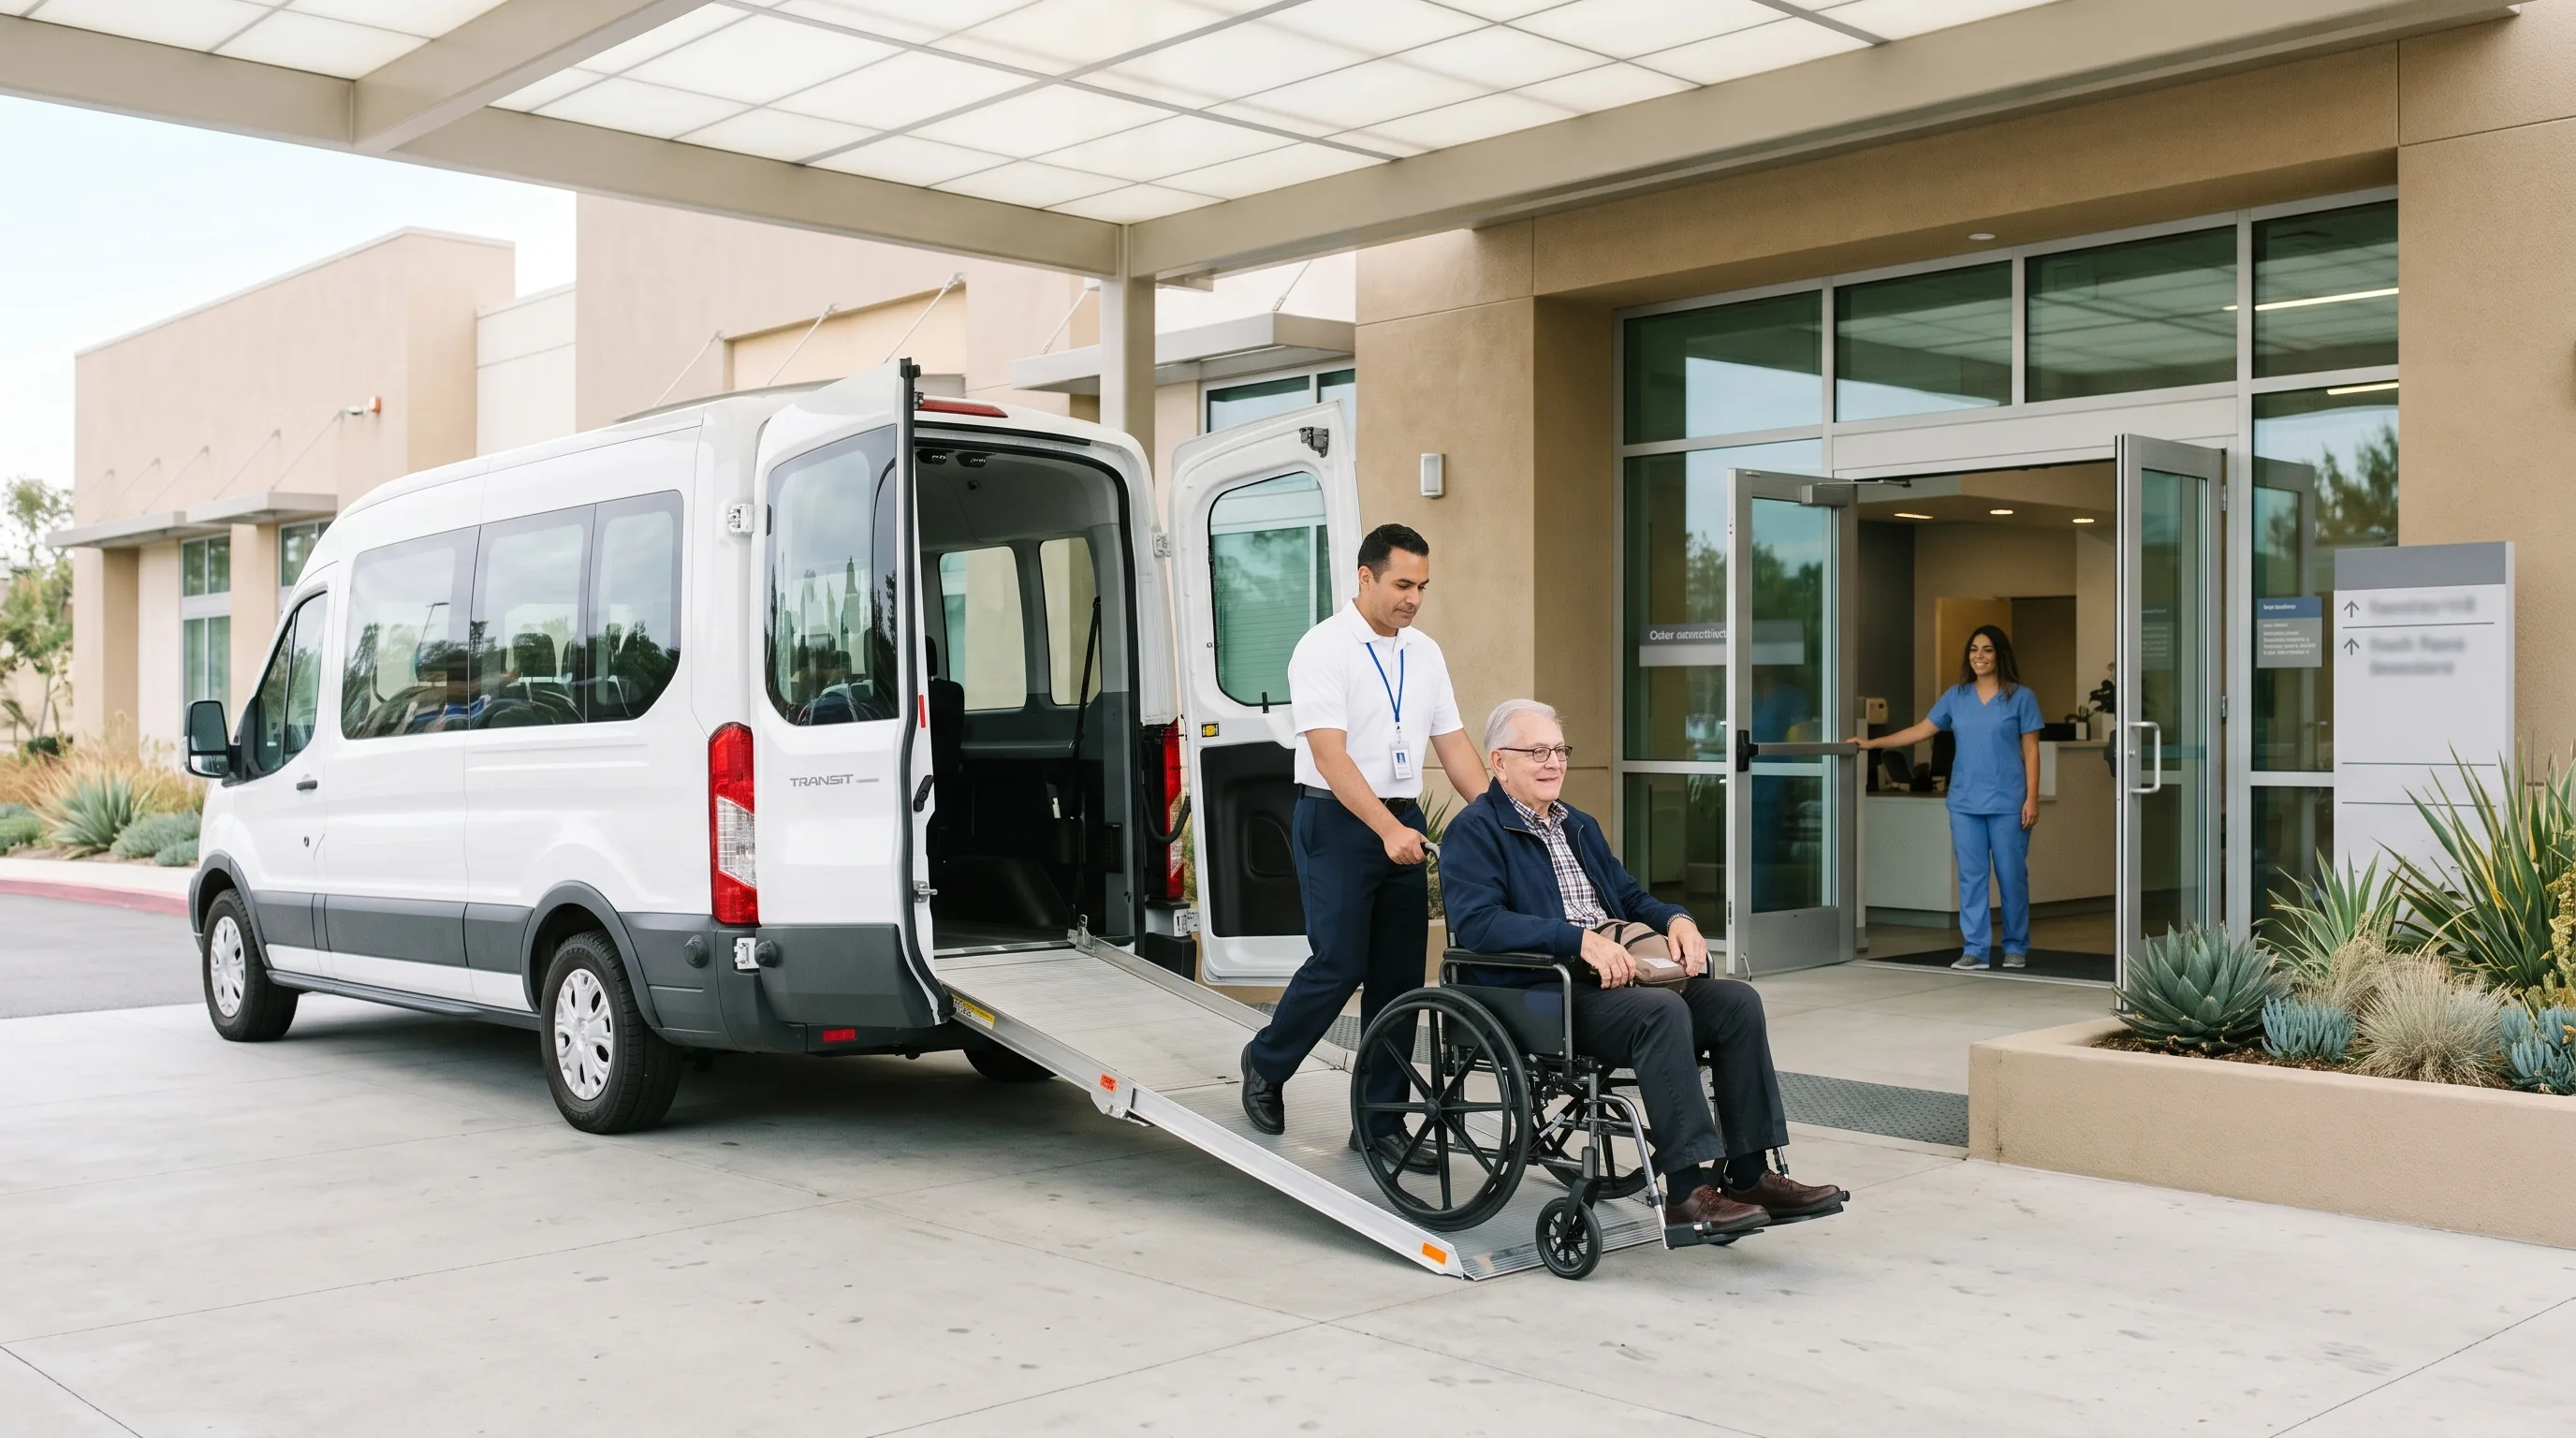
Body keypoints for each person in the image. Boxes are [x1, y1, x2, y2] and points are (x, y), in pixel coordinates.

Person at [1441, 699, 1847, 1234]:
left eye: (1559, 750)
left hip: (1617, 976)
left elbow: (1629, 898)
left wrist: (1677, 919)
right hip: (1541, 990)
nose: (1553, 762)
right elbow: (1479, 925)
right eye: (1536, 751)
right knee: (1659, 1012)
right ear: (1498, 762)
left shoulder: (1576, 825)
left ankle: (1748, 1174)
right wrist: (1578, 940)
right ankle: (1686, 1193)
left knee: (1735, 1003)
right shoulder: (1475, 831)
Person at [1239, 523, 1487, 1169]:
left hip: (1400, 821)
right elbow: (1329, 755)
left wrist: (1499, 818)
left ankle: (1379, 1122)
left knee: (1400, 982)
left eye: (1423, 587)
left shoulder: (1425, 653)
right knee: (1339, 961)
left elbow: (1453, 744)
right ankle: (1266, 1063)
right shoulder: (1323, 649)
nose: (1414, 598)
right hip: (1338, 821)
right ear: (1366, 577)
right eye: (1403, 584)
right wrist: (1385, 830)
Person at [1853, 624, 2044, 970]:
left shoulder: (2021, 697)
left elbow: (2031, 751)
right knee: (1971, 877)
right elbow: (1920, 731)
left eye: (1986, 650)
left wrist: (2032, 798)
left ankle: (2016, 945)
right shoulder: (1955, 696)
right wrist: (1871, 743)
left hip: (2008, 802)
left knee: (2011, 875)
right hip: (1965, 802)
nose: (1979, 657)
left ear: (2000, 655)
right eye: (1973, 650)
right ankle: (1976, 949)